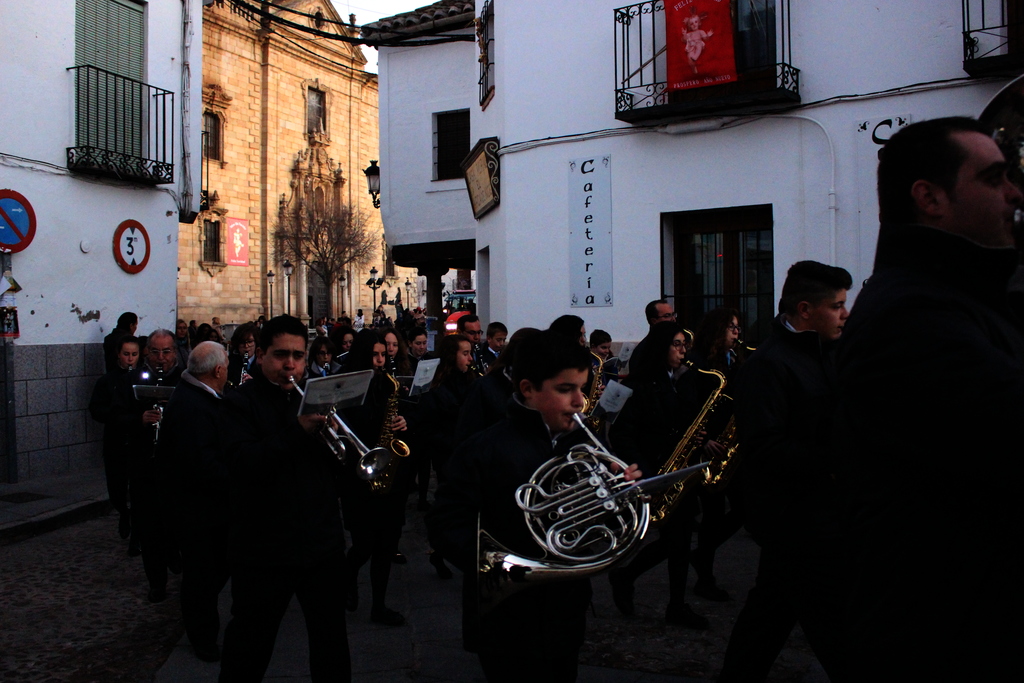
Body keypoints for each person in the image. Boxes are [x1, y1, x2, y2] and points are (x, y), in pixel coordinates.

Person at [835, 117, 1024, 681]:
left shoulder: (959, 299)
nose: (1014, 192)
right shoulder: (910, 315)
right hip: (947, 639)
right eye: (995, 179)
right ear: (930, 198)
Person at [428, 330, 641, 682]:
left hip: (565, 610)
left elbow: (601, 529)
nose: (579, 401)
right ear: (527, 389)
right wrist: (503, 566)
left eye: (582, 388)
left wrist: (617, 498)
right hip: (506, 618)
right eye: (565, 389)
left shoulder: (586, 449)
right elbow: (446, 523)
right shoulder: (484, 448)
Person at [718, 261, 852, 682]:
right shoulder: (769, 365)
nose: (845, 314)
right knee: (837, 630)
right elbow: (765, 447)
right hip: (797, 520)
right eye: (838, 306)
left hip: (819, 515)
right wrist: (837, 459)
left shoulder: (829, 351)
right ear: (806, 310)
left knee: (770, 614)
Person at [218, 315, 351, 682]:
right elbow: (244, 464)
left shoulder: (315, 398)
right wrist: (298, 429)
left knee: (331, 646)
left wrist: (339, 440)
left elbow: (336, 471)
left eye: (297, 355)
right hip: (263, 550)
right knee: (249, 648)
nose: (290, 364)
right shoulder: (238, 403)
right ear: (260, 355)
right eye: (280, 355)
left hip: (320, 545)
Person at [607, 321, 713, 629]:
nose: (683, 351)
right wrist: (647, 474)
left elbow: (684, 420)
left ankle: (639, 583)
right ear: (660, 349)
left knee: (677, 541)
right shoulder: (637, 385)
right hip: (655, 469)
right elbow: (624, 435)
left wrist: (699, 437)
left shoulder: (684, 379)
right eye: (677, 345)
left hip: (680, 469)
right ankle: (651, 591)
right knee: (675, 541)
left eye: (685, 345)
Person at [159, 341, 230, 663]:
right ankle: (203, 638)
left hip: (202, 508)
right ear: (217, 370)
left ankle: (202, 629)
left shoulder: (196, 396)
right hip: (198, 512)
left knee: (211, 572)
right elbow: (201, 463)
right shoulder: (192, 405)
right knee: (202, 577)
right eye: (226, 365)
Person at [339, 329, 410, 626]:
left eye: (383, 355)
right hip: (358, 476)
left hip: (388, 474)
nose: (381, 361)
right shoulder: (348, 386)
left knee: (385, 545)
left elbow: (402, 417)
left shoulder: (388, 383)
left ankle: (378, 605)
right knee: (364, 544)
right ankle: (348, 572)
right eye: (375, 355)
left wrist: (404, 422)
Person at [111, 328, 183, 602]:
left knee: (174, 523)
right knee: (149, 526)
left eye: (166, 352)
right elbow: (116, 416)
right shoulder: (132, 380)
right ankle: (157, 582)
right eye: (155, 352)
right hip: (143, 466)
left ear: (174, 353)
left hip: (175, 467)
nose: (160, 358)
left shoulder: (184, 379)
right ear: (146, 353)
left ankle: (173, 552)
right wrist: (139, 419)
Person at [688, 307, 747, 602]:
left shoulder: (732, 359)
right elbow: (692, 406)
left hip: (727, 445)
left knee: (744, 508)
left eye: (738, 328)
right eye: (731, 328)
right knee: (711, 515)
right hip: (707, 447)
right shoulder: (700, 364)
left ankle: (701, 557)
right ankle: (705, 575)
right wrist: (705, 439)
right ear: (716, 330)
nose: (737, 333)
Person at [416, 334, 475, 577]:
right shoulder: (437, 386)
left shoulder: (470, 380)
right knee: (455, 509)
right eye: (465, 353)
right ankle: (440, 550)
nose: (470, 358)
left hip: (468, 454)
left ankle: (444, 552)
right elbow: (429, 428)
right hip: (449, 456)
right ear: (452, 356)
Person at [89, 335, 140, 540]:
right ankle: (123, 513)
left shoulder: (143, 378)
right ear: (118, 355)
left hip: (138, 442)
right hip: (115, 441)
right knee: (116, 488)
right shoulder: (106, 381)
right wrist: (115, 414)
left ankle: (137, 526)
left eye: (134, 354)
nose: (130, 359)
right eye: (126, 354)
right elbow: (96, 409)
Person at [227, 323, 258, 387]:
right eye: (242, 342)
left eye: (249, 342)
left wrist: (254, 384)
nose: (246, 346)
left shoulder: (264, 363)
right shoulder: (230, 362)